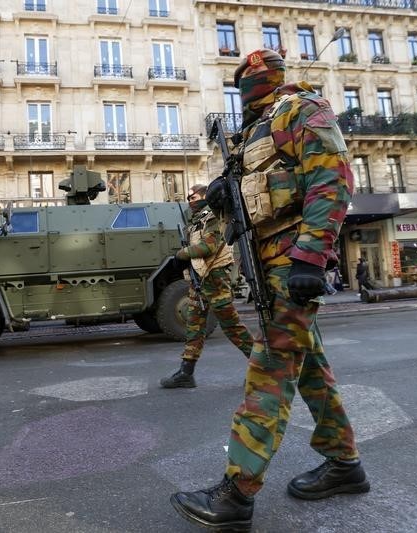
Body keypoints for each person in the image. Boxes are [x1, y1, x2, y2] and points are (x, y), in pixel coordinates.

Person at [170, 48, 368, 531]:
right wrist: (223, 186)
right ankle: (344, 464)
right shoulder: (251, 133)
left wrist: (311, 255)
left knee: (271, 368)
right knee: (310, 366)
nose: (246, 91)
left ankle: (237, 493)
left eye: (253, 81)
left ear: (272, 79)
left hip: (292, 260)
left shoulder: (301, 110)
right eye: (241, 84)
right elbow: (255, 193)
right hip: (268, 261)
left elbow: (332, 179)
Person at [160, 183, 254, 388]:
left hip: (215, 278)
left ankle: (263, 368)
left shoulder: (211, 216)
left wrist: (182, 254)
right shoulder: (194, 223)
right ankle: (186, 372)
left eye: (192, 197)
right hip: (201, 279)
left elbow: (209, 246)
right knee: (194, 326)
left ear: (203, 196)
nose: (189, 201)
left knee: (232, 327)